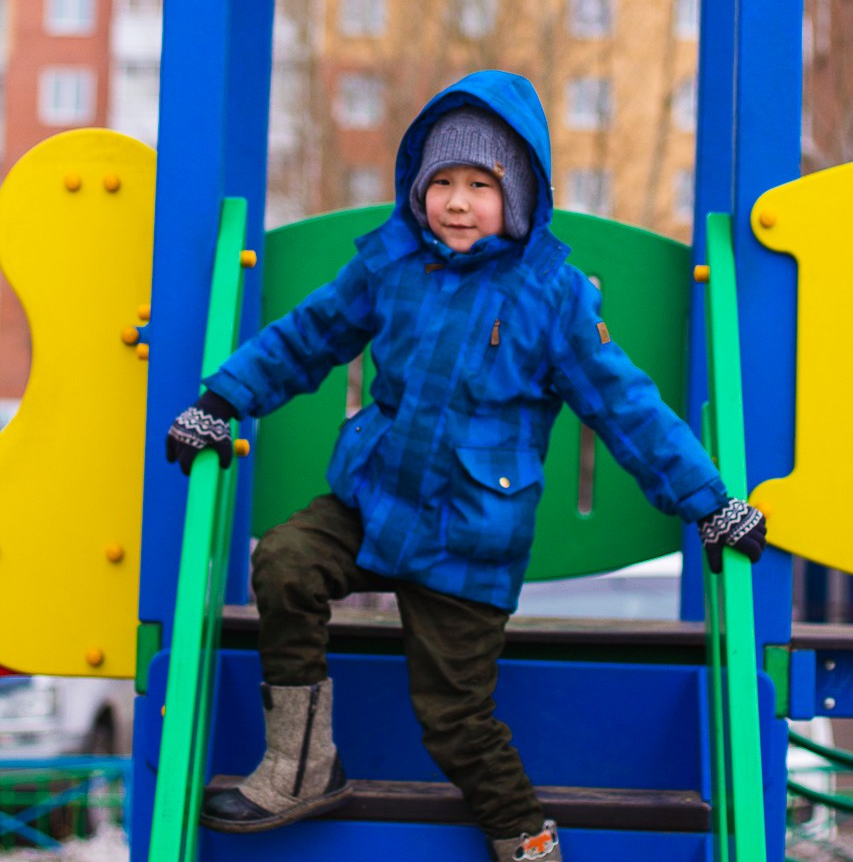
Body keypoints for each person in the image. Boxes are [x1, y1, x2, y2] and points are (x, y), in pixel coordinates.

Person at [166, 70, 766, 862]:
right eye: (440, 182)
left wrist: (710, 503)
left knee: (452, 718)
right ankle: (302, 761)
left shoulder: (551, 297)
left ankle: (526, 838)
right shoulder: (388, 263)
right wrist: (221, 400)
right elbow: (307, 335)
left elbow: (627, 409)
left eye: (479, 185)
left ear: (518, 195)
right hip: (373, 500)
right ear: (416, 188)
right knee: (283, 561)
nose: (455, 203)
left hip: (470, 539)